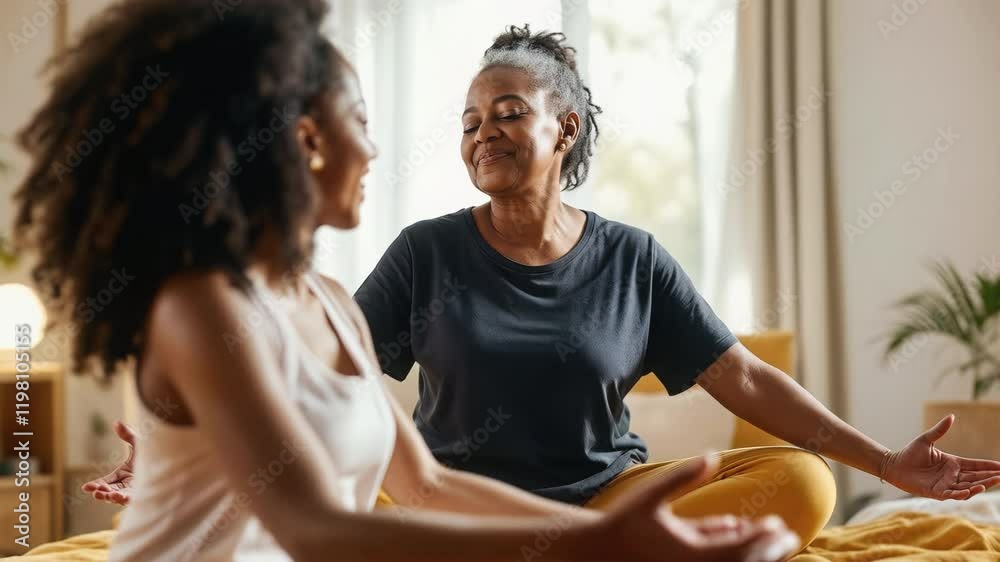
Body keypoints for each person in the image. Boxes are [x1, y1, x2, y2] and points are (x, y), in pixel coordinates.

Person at [86, 21, 1000, 554]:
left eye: (508, 113)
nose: (477, 134)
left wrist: (881, 463)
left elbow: (747, 383)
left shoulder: (629, 258)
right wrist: (197, 431)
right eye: (469, 119)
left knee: (799, 484)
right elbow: (328, 495)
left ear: (565, 128)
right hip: (458, 509)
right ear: (304, 142)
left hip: (567, 499)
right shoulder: (383, 264)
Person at [14, 1, 803, 561]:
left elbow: (422, 486)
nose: (378, 150)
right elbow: (317, 530)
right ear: (307, 139)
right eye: (361, 120)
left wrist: (597, 539)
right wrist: (593, 548)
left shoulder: (329, 305)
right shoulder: (202, 306)